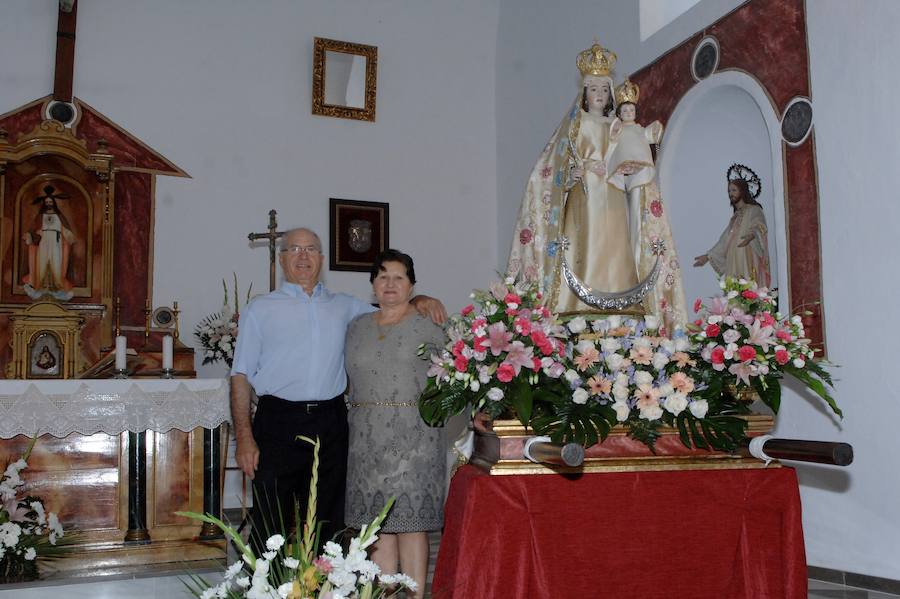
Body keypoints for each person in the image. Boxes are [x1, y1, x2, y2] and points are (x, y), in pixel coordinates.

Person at [229, 228, 446, 554]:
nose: (303, 256)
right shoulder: (259, 309)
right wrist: (244, 438)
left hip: (330, 422)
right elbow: (240, 375)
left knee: (329, 521)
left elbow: (391, 308)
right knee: (270, 522)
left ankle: (325, 581)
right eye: (295, 249)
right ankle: (267, 581)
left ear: (321, 259)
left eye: (311, 249)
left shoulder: (346, 306)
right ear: (282, 258)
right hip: (277, 422)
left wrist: (420, 299)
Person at [343, 250, 445, 599]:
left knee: (411, 525)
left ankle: (415, 596)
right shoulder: (356, 327)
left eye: (399, 277)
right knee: (378, 527)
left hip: (414, 439)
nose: (390, 283)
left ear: (411, 285)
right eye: (382, 276)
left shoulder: (430, 323)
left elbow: (456, 375)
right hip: (365, 439)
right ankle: (383, 594)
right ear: (372, 284)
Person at [605, 79, 687, 335]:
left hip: (642, 180)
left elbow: (652, 135)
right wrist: (619, 166)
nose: (629, 113)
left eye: (632, 109)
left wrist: (655, 131)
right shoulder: (617, 130)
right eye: (625, 110)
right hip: (626, 182)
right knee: (628, 220)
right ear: (619, 113)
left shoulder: (639, 130)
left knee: (642, 219)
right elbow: (610, 152)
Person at [693, 166, 772, 288]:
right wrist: (708, 256)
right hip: (733, 258)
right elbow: (725, 239)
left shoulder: (754, 210)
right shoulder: (736, 216)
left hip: (747, 256)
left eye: (734, 190)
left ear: (743, 191)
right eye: (729, 191)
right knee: (735, 290)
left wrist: (752, 235)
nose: (731, 194)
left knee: (748, 289)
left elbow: (760, 225)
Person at [22, 185, 76, 298]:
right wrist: (30, 235)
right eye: (46, 202)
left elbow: (65, 229)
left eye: (50, 202)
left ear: (53, 203)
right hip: (44, 241)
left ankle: (57, 286)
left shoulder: (59, 216)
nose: (48, 204)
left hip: (56, 242)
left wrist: (68, 235)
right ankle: (41, 286)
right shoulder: (40, 216)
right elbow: (33, 229)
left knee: (56, 262)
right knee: (43, 261)